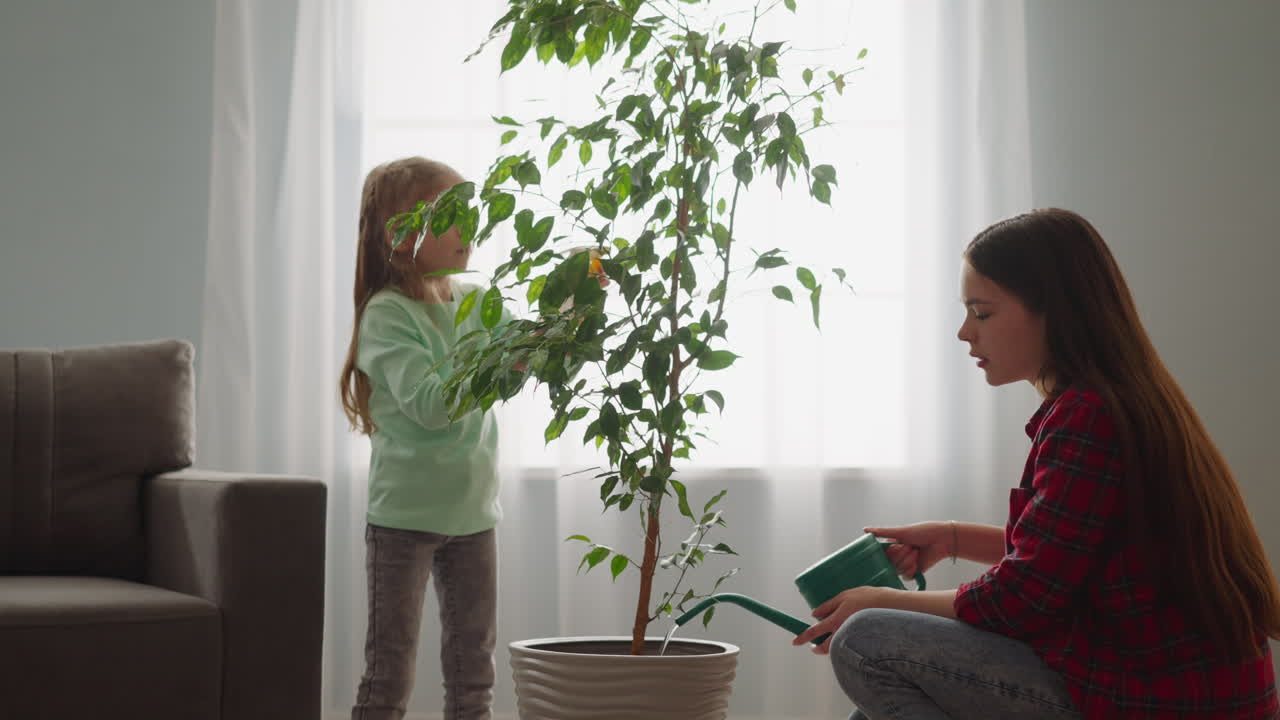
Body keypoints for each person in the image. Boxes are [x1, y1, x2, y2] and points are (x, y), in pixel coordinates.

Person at [792, 208, 1280, 719]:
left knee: (867, 641)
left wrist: (878, 600)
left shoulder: (1089, 417)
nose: (964, 332)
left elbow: (1021, 599)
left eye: (981, 313)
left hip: (1160, 703)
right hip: (1194, 696)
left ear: (1054, 311)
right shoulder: (1119, 400)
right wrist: (953, 538)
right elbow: (1075, 558)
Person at [339, 156, 514, 720]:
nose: (472, 228)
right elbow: (433, 405)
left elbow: (523, 360)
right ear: (405, 233)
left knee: (474, 676)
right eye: (455, 216)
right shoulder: (387, 315)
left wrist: (573, 309)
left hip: (473, 512)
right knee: (388, 676)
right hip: (404, 519)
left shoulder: (472, 300)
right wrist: (503, 358)